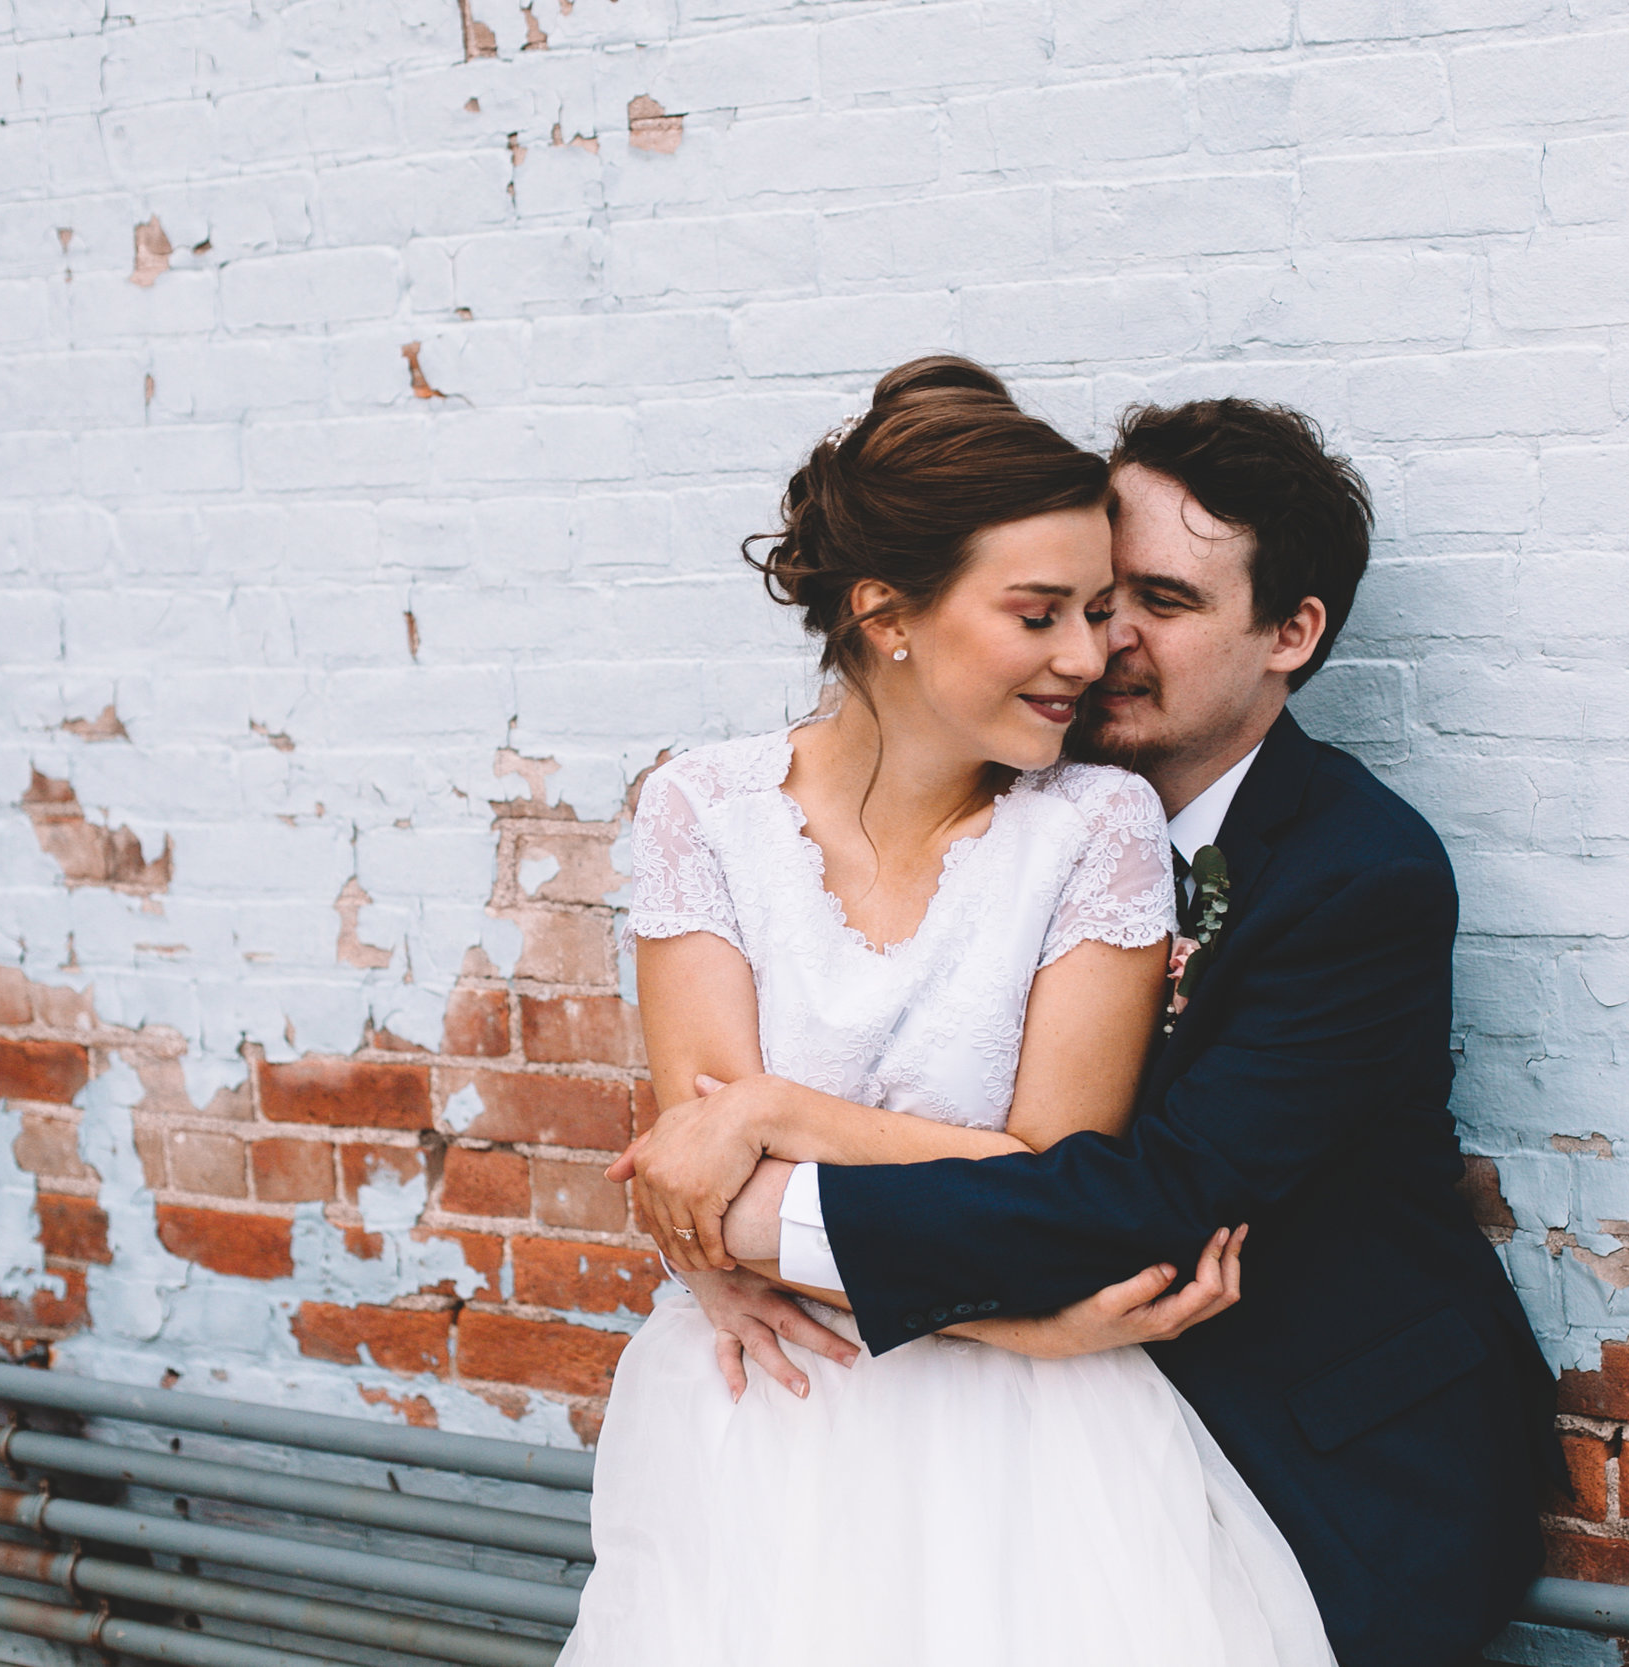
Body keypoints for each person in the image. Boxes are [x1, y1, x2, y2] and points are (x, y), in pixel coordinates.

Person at [628, 393, 1567, 1667]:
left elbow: (1151, 1198)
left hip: (1313, 1450)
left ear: (1290, 632)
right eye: (1081, 596)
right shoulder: (980, 798)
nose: (1099, 642)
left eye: (1161, 605)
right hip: (993, 1398)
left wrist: (745, 1205)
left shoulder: (1358, 875)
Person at [557, 356, 1336, 1667]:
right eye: (1042, 614)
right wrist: (1030, 1320)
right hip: (767, 1411)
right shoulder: (703, 810)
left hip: (1028, 1454)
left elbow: (1059, 1177)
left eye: (1100, 610)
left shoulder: (1097, 827)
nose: (1089, 657)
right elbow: (710, 1208)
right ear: (887, 612)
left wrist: (782, 1114)